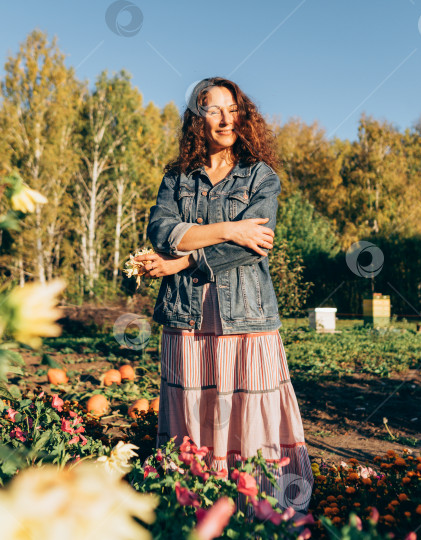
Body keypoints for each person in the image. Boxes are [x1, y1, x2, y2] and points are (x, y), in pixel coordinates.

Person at [134, 77, 313, 518]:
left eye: (232, 108)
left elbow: (254, 243)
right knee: (193, 415)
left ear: (243, 114)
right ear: (198, 119)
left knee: (251, 421)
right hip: (186, 317)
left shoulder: (260, 176)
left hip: (246, 318)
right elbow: (160, 229)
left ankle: (261, 514)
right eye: (213, 109)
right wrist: (230, 227)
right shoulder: (177, 177)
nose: (225, 118)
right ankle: (195, 512)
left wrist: (181, 261)